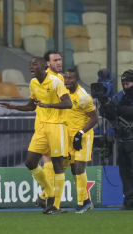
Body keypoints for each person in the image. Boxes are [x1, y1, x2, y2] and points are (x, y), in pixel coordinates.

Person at [0, 57, 72, 215]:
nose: (32, 67)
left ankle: (55, 206)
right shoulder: (33, 83)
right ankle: (49, 193)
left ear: (43, 67)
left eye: (35, 65)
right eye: (30, 65)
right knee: (30, 161)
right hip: (42, 128)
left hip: (57, 126)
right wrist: (14, 107)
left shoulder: (55, 82)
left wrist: (48, 105)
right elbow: (31, 106)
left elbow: (68, 103)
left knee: (58, 165)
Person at [36, 51, 70, 209]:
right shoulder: (45, 78)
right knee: (49, 159)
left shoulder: (61, 78)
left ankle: (45, 197)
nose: (59, 62)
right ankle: (48, 198)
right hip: (46, 123)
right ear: (48, 63)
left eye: (60, 59)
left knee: (62, 160)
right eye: (55, 60)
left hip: (60, 124)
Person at [64, 67, 98, 213]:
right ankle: (86, 201)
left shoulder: (83, 97)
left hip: (83, 135)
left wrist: (80, 133)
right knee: (73, 168)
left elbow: (94, 118)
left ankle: (81, 203)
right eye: (65, 78)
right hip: (69, 135)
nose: (67, 81)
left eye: (70, 78)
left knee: (79, 167)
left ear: (77, 79)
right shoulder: (64, 93)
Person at [99, 69, 133, 210]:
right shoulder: (119, 96)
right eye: (123, 83)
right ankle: (129, 199)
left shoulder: (120, 100)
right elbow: (106, 113)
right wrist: (105, 105)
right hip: (123, 140)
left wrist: (117, 109)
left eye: (129, 83)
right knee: (124, 171)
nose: (126, 86)